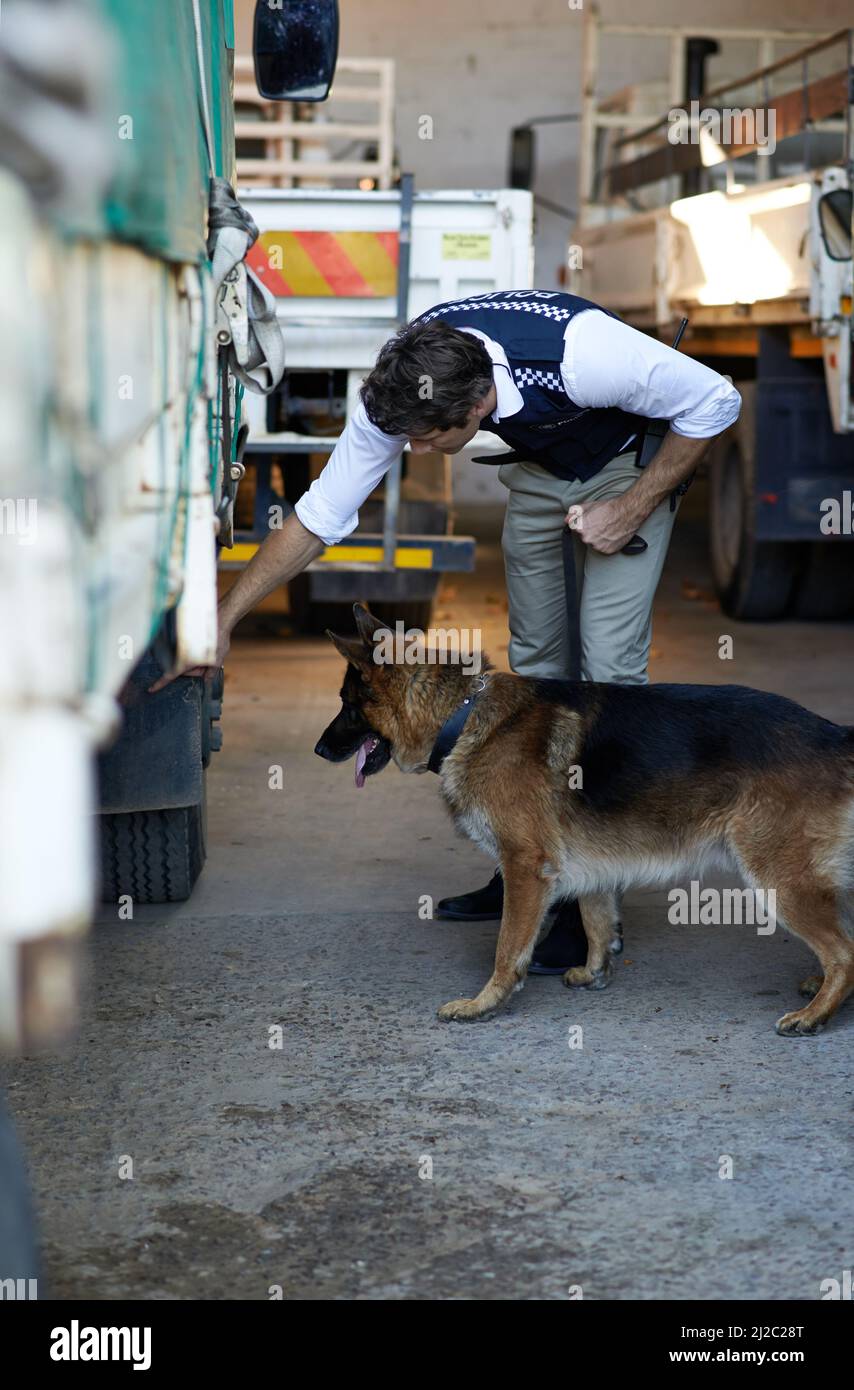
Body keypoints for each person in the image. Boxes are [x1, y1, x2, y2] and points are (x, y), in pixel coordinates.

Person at [172, 289, 741, 971]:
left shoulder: (585, 355)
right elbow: (322, 514)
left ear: (475, 407)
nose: (411, 448)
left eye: (427, 438)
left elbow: (716, 400)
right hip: (542, 468)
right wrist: (225, 617)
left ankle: (595, 905)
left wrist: (632, 505)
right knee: (531, 668)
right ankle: (523, 860)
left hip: (625, 462)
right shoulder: (408, 385)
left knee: (609, 676)